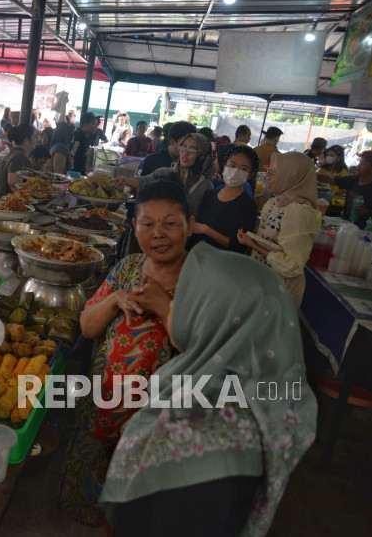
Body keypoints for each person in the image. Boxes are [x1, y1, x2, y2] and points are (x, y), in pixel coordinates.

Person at [100, 243, 316, 536]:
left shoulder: (194, 429)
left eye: (188, 302)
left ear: (222, 321)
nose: (174, 309)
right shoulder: (259, 401)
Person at [60, 178, 191, 527]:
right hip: (99, 407)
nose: (158, 233)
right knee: (88, 494)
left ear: (189, 226)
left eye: (170, 224)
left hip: (155, 424)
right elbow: (88, 326)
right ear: (135, 227)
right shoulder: (128, 267)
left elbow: (208, 351)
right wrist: (115, 300)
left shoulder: (203, 281)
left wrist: (166, 308)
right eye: (148, 224)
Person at [238, 152, 321, 306]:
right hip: (262, 280)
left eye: (274, 173)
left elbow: (292, 264)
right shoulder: (275, 202)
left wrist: (253, 245)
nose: (268, 177)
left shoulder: (299, 212)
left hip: (279, 288)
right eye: (268, 171)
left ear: (292, 176)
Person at [118, 132, 214, 217]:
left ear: (202, 155)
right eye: (183, 147)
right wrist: (124, 180)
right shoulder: (166, 172)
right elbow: (144, 181)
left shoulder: (206, 185)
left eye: (192, 150)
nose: (185, 153)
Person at [189, 145, 259, 253]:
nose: (236, 171)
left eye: (243, 169)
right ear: (225, 165)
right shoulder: (209, 195)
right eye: (232, 165)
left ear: (249, 175)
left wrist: (206, 230)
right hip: (195, 255)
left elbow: (239, 246)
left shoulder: (247, 206)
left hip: (222, 262)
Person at [318, 149, 372, 227]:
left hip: (366, 231)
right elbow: (329, 179)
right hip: (346, 224)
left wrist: (369, 212)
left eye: (363, 164)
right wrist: (309, 172)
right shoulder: (353, 180)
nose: (358, 166)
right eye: (359, 162)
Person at [0, 124, 36, 196]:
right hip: (11, 204)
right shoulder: (19, 157)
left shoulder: (15, 153)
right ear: (26, 140)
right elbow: (13, 184)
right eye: (34, 137)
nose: (36, 139)